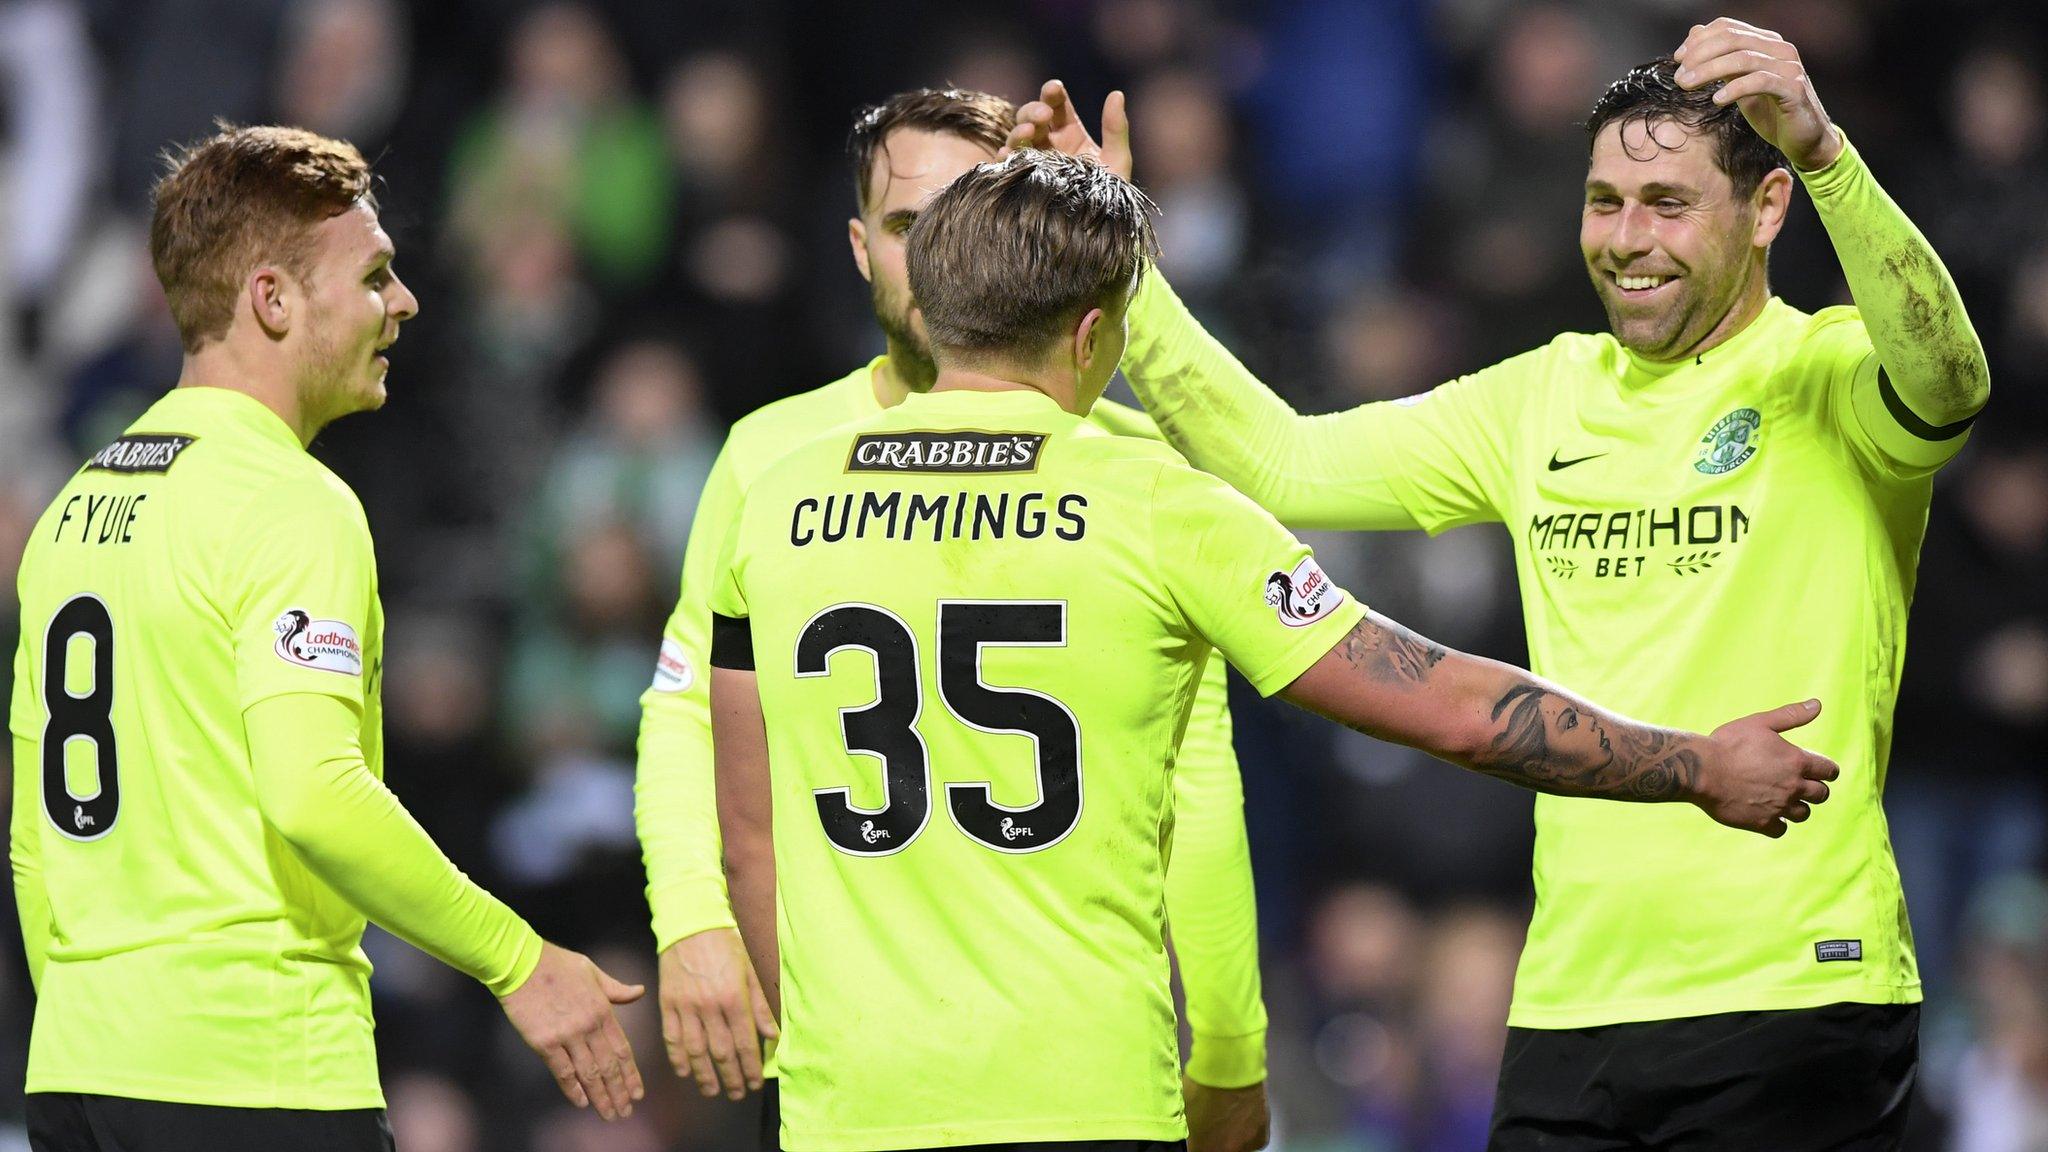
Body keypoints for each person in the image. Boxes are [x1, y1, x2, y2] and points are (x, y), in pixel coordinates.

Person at [707, 148, 1837, 1152]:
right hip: (1075, 1096)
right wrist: (1689, 764)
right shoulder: (1157, 503)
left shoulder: (776, 495)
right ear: (1097, 334)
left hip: (842, 1101)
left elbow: (747, 834)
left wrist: (802, 1062)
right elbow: (1439, 703)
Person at [1009, 14, 1989, 1148]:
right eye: (1602, 203)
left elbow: (1949, 376)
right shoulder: (1538, 399)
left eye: (1667, 205)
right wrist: (1119, 264)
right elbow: (1277, 458)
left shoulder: (1825, 377)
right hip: (1571, 1006)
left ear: (1763, 210)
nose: (1626, 240)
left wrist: (1825, 156)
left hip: (1791, 994)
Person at [634, 87, 1269, 1152]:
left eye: (962, 216)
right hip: (850, 1066)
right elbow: (685, 711)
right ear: (854, 246)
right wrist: (693, 922)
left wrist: (1227, 1039)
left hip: (1070, 1061)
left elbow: (1193, 779)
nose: (930, 256)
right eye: (901, 227)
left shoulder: (1130, 467)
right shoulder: (767, 455)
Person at [8, 125, 644, 1152]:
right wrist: (519, 961)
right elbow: (314, 792)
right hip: (254, 1069)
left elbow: (37, 842)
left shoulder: (74, 506)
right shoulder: (288, 501)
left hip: (77, 1072)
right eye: (376, 276)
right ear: (272, 299)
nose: (404, 304)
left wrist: (98, 1031)